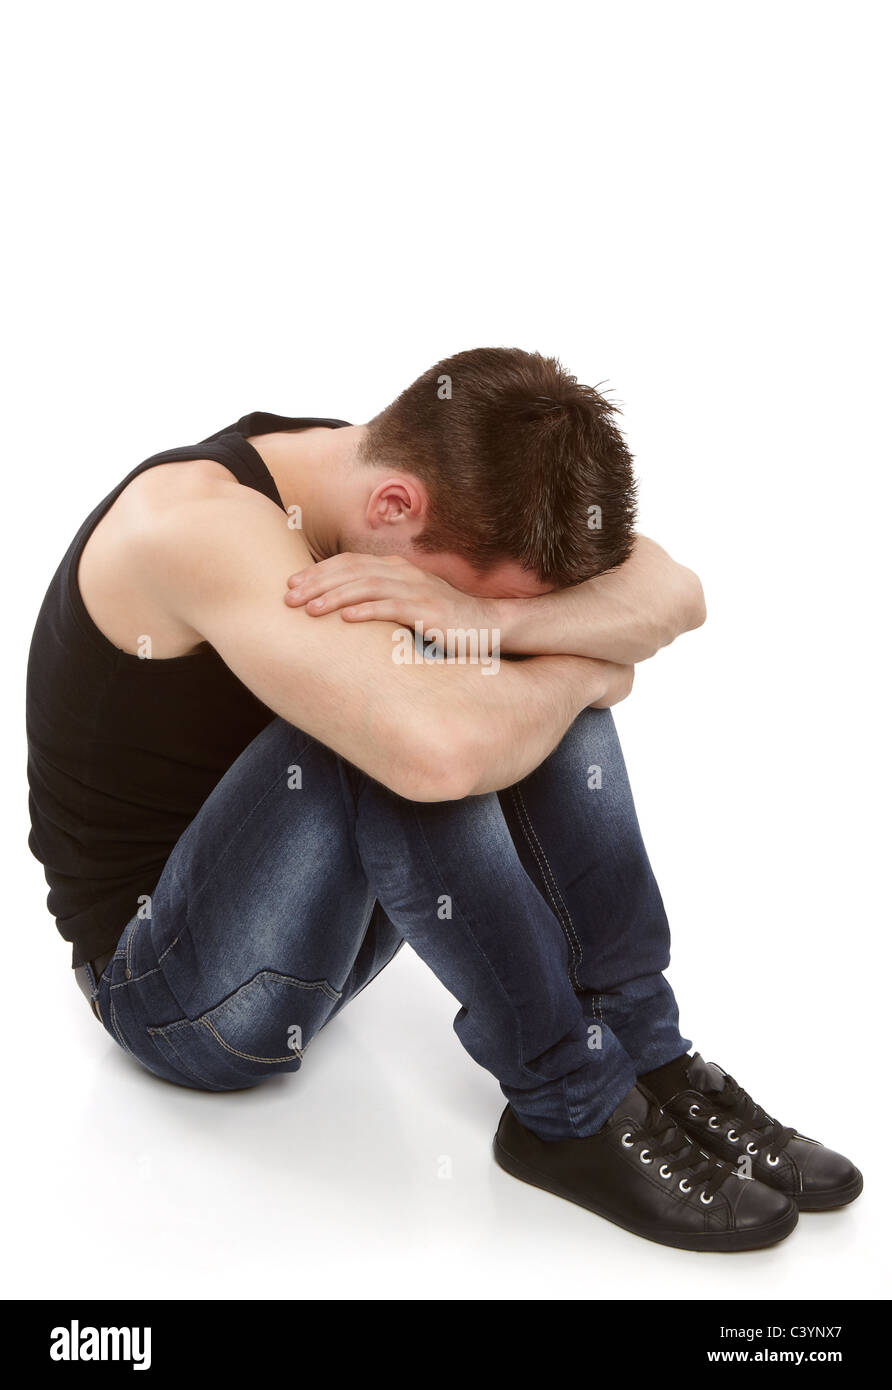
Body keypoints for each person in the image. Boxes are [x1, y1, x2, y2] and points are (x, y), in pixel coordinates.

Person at [26, 347, 861, 1252]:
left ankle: (646, 1057)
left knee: (483, 680)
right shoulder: (190, 521)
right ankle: (566, 1109)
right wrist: (570, 663)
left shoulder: (398, 474)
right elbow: (433, 753)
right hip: (174, 994)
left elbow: (675, 592)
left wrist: (496, 624)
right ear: (395, 509)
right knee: (408, 728)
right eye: (470, 589)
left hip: (325, 932)